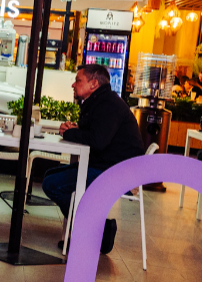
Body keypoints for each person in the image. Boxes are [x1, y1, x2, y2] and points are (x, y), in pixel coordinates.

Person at [41, 64, 145, 254]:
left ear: (93, 84)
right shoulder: (99, 102)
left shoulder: (108, 105)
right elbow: (94, 134)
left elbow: (97, 141)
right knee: (49, 176)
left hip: (119, 175)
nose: (73, 84)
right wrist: (74, 130)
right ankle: (98, 231)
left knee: (52, 184)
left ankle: (94, 234)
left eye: (78, 80)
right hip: (109, 166)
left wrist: (71, 133)